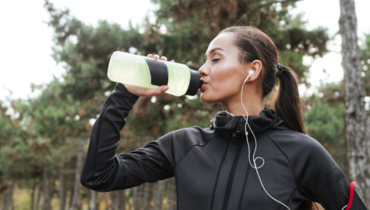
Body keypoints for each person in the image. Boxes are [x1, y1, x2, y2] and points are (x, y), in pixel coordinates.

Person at [80, 26, 367, 210]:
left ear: (252, 70)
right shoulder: (184, 145)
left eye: (215, 59)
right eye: (204, 60)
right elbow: (99, 176)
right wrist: (124, 94)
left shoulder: (301, 152)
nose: (202, 69)